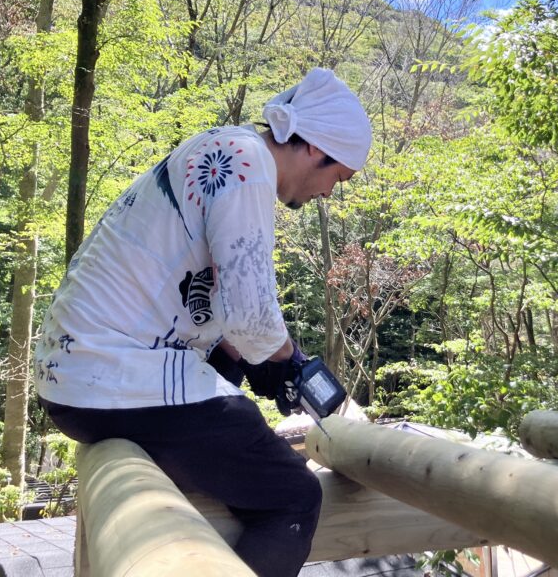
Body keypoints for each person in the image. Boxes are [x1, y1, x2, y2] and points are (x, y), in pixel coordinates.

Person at [33, 68, 372, 576]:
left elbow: (206, 304)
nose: (328, 193)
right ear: (314, 149)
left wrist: (247, 358)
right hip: (112, 377)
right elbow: (253, 314)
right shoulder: (246, 165)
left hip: (76, 378)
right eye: (337, 177)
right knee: (292, 495)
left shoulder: (222, 150)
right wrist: (292, 365)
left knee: (229, 386)